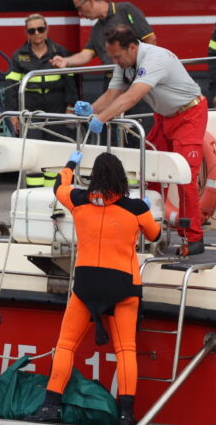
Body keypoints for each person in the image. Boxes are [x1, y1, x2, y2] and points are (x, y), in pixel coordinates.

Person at [27, 151, 161, 425]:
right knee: (126, 351)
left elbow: (58, 186)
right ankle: (126, 414)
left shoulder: (78, 200)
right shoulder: (135, 207)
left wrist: (70, 164)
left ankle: (50, 406)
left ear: (93, 178)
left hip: (86, 286)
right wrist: (145, 210)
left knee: (65, 345)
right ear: (121, 178)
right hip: (123, 286)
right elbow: (155, 235)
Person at [78, 25, 207, 256]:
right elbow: (113, 94)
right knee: (151, 173)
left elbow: (133, 96)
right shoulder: (125, 62)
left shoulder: (155, 58)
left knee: (185, 178)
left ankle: (193, 238)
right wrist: (90, 109)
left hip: (189, 116)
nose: (115, 61)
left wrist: (101, 118)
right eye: (112, 56)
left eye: (117, 56)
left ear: (133, 48)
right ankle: (151, 230)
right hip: (164, 117)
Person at [4, 12, 78, 187]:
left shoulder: (59, 52)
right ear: (26, 33)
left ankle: (53, 199)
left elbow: (70, 81)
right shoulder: (19, 56)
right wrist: (13, 114)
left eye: (40, 29)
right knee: (33, 155)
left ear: (47, 30)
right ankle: (34, 194)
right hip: (31, 113)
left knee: (55, 155)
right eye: (32, 30)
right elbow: (12, 88)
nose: (37, 33)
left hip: (57, 112)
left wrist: (70, 108)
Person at [51, 0, 156, 71]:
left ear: (90, 1)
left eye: (79, 8)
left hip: (134, 77)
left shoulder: (126, 9)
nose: (79, 13)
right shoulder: (96, 29)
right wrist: (66, 61)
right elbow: (85, 55)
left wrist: (143, 70)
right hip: (111, 80)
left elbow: (150, 39)